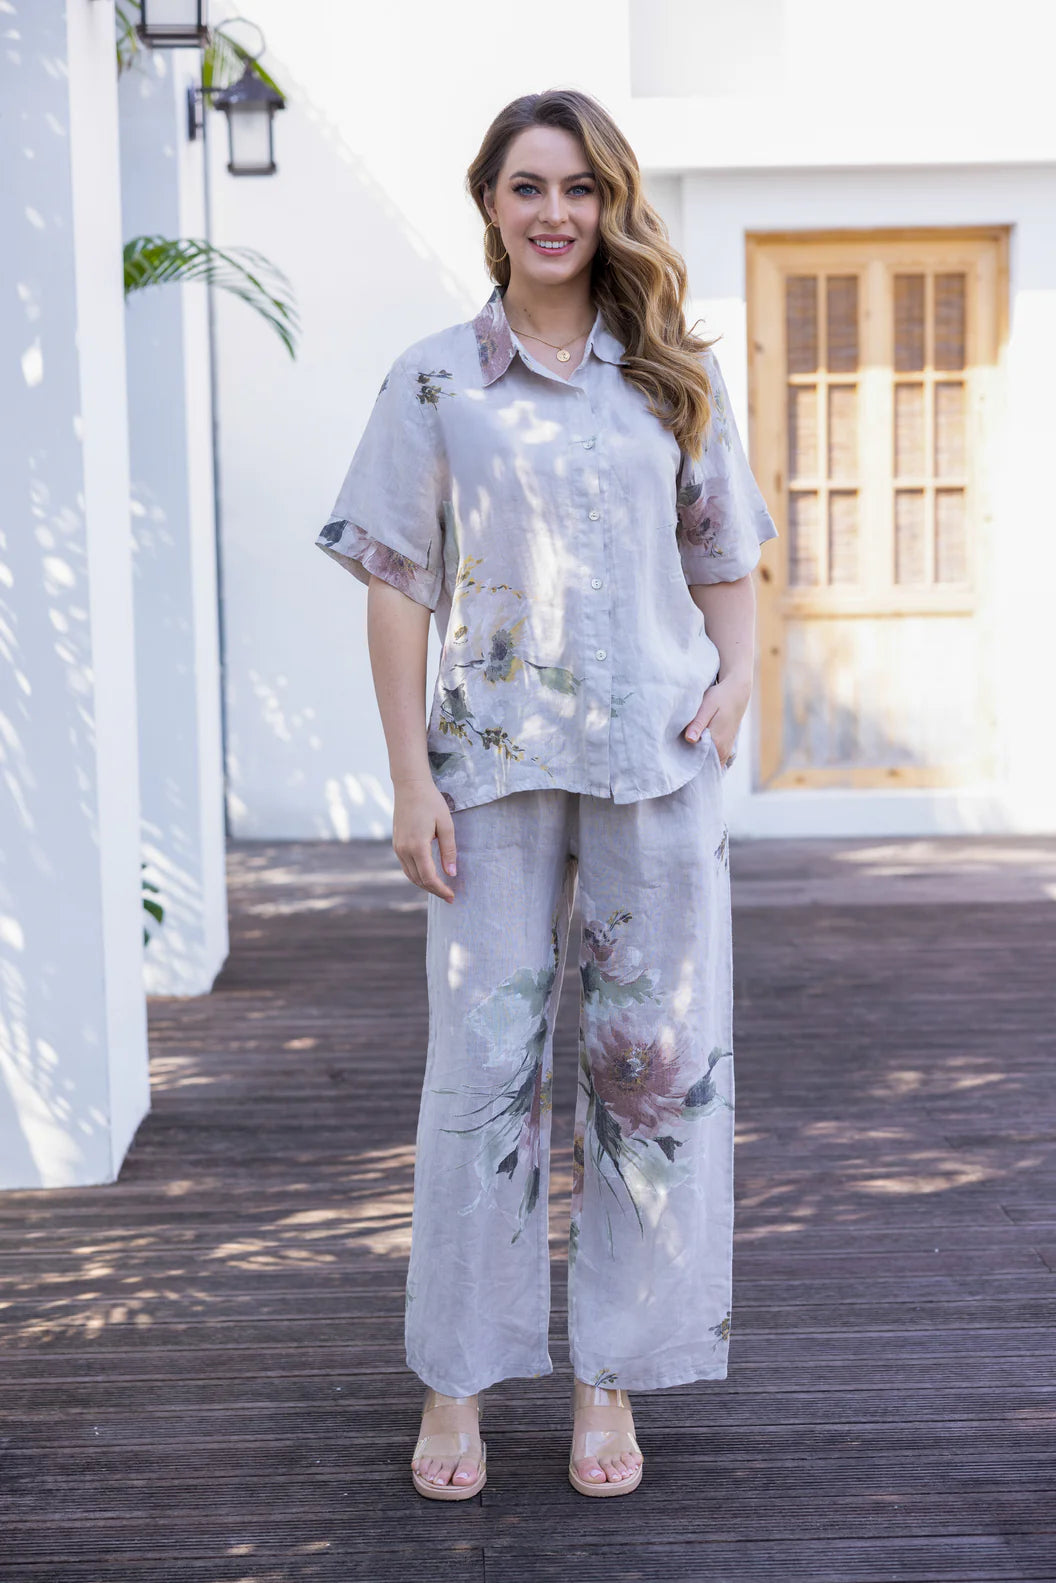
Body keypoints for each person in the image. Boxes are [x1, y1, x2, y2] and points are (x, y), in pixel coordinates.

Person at [315, 87, 778, 1500]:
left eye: (580, 187)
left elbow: (726, 553)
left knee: (654, 1084)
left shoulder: (673, 376)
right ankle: (456, 1381)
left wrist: (738, 683)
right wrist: (409, 778)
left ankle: (610, 1376)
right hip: (493, 770)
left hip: (655, 766)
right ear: (490, 204)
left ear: (610, 204)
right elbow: (395, 585)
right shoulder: (434, 384)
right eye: (529, 186)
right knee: (481, 1080)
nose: (556, 212)